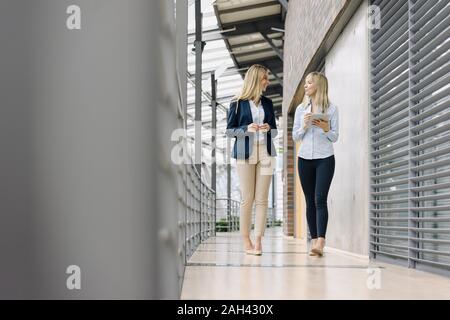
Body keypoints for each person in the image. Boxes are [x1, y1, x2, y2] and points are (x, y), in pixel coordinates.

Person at [226, 64, 278, 256]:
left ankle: (258, 241)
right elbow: (229, 130)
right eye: (265, 78)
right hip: (245, 152)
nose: (268, 82)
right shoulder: (237, 102)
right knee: (248, 198)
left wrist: (268, 129)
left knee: (262, 199)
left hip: (266, 151)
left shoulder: (268, 103)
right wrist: (246, 129)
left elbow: (275, 129)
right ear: (257, 79)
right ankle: (246, 239)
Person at [292, 72, 339, 257]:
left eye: (309, 83)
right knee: (309, 201)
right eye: (305, 83)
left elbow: (335, 136)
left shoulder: (332, 109)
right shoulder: (300, 109)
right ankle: (313, 242)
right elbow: (296, 137)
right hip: (304, 159)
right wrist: (304, 125)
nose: (306, 86)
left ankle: (321, 241)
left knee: (320, 199)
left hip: (325, 158)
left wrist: (325, 128)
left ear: (318, 85)